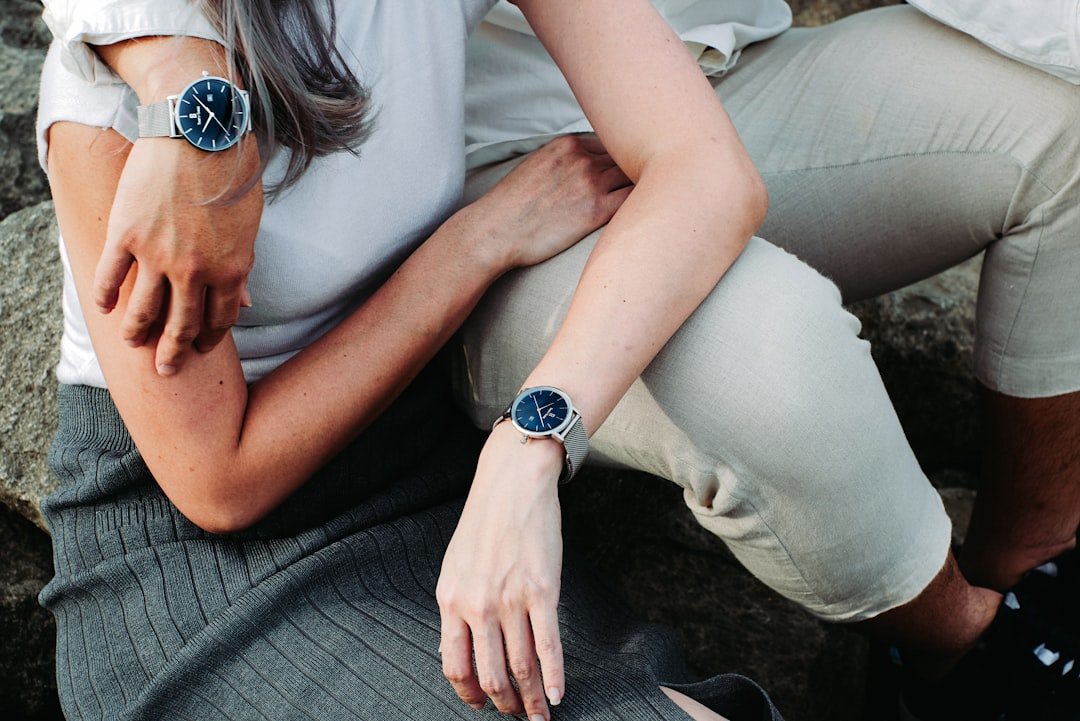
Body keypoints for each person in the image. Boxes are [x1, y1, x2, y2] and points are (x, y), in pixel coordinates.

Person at [40, 0, 1080, 720]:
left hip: (412, 480)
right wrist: (474, 242)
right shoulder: (129, 67)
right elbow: (219, 481)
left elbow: (705, 170)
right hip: (206, 566)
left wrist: (528, 446)